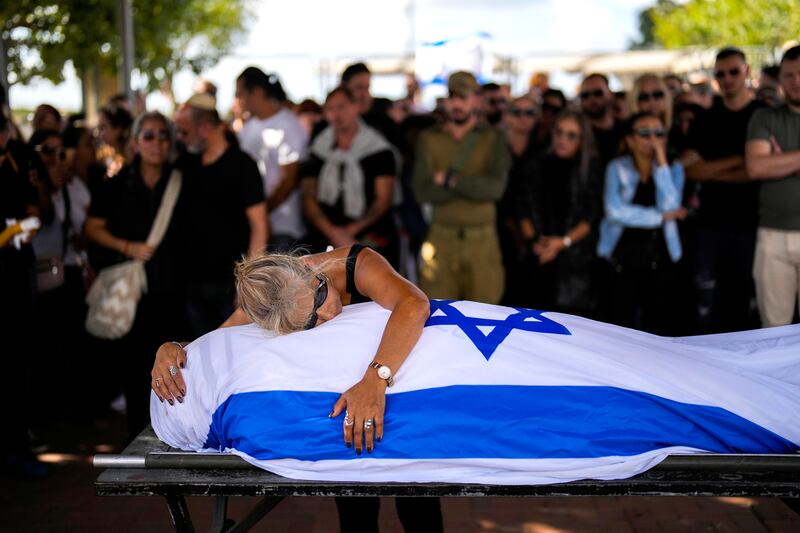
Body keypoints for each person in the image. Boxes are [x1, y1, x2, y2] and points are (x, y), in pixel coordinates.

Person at [151, 245, 443, 532]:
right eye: (310, 322)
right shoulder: (272, 298)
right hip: (342, 405)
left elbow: (414, 303)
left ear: (312, 272)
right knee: (355, 508)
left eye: (320, 298)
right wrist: (172, 348)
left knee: (417, 500)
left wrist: (375, 379)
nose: (328, 316)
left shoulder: (355, 263)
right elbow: (216, 343)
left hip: (397, 380)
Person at [85, 111, 190, 439]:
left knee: (176, 365)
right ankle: (136, 436)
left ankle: (171, 435)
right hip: (133, 294)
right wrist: (128, 246)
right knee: (133, 369)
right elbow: (92, 228)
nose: (156, 142)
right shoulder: (116, 184)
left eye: (163, 135)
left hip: (173, 290)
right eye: (148, 135)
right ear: (134, 142)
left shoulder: (182, 181)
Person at [682, 47, 766, 333]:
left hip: (753, 223)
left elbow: (758, 171)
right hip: (710, 224)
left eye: (733, 72)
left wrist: (715, 170)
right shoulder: (707, 118)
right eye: (720, 74)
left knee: (751, 305)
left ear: (747, 72)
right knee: (709, 308)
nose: (727, 79)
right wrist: (738, 161)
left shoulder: (762, 115)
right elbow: (691, 170)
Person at [173, 93, 268, 337]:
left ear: (205, 128)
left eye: (184, 132)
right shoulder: (185, 164)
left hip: (230, 283)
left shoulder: (242, 165)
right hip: (192, 282)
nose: (180, 139)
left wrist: (250, 283)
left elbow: (259, 226)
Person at [412, 71, 511, 304]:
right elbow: (422, 191)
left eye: (463, 97)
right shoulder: (429, 138)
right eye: (452, 97)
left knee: (485, 317)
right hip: (441, 239)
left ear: (476, 100)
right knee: (440, 317)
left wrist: (451, 180)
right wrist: (474, 186)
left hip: (482, 241)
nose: (456, 104)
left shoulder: (493, 139)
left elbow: (495, 189)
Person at [598, 113, 687, 335]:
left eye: (659, 133)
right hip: (622, 255)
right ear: (630, 139)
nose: (653, 139)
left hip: (661, 255)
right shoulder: (616, 168)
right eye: (645, 133)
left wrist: (662, 163)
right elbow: (614, 210)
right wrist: (658, 217)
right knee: (621, 324)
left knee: (658, 324)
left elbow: (671, 205)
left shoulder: (674, 169)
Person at [301, 87, 399, 266]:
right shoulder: (318, 149)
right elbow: (308, 197)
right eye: (330, 109)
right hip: (325, 236)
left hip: (369, 236)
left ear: (356, 107)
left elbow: (382, 201)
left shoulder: (379, 150)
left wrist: (349, 232)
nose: (336, 114)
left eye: (342, 107)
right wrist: (333, 232)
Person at [517, 110, 601, 315]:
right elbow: (522, 209)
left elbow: (590, 217)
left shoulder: (591, 169)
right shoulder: (535, 164)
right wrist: (534, 242)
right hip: (538, 254)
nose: (562, 139)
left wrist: (562, 243)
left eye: (571, 135)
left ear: (582, 140)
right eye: (559, 132)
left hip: (574, 261)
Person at [0, 112, 46, 476]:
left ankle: (17, 445)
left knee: (18, 360)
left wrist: (23, 226)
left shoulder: (16, 158)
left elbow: (35, 204)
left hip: (16, 272)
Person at [746, 45, 800, 327]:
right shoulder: (765, 117)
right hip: (773, 236)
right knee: (774, 332)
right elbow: (756, 167)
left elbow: (767, 165)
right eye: (789, 75)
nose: (796, 81)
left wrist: (782, 161)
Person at [236, 67, 308, 251]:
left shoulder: (288, 125)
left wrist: (261, 210)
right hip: (253, 226)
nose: (238, 100)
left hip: (283, 228)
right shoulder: (247, 128)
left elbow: (289, 179)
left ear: (258, 92)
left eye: (241, 94)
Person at [498, 96, 539, 306]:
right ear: (508, 116)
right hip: (498, 227)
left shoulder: (543, 148)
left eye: (530, 112)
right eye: (517, 112)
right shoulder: (495, 147)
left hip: (533, 229)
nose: (523, 118)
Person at [579, 73, 623, 169]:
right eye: (585, 95)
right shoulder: (576, 134)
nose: (592, 99)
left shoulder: (626, 130)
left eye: (598, 93)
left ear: (610, 94)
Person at [96, 104, 133, 177]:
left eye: (103, 127)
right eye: (99, 127)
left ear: (118, 128)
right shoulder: (103, 156)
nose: (99, 133)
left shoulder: (131, 158)